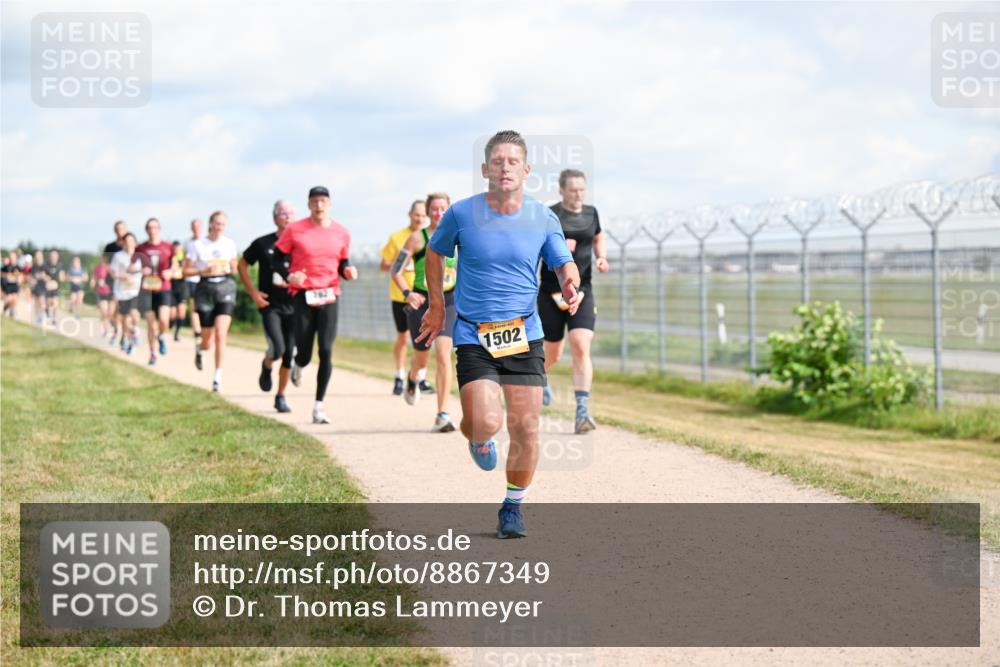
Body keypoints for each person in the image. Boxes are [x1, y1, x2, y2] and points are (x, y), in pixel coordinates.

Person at [418, 130, 581, 538]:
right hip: (474, 334)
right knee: (484, 422)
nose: (505, 167)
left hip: (524, 333)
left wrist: (569, 283)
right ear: (485, 169)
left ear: (526, 170)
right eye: (498, 161)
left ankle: (512, 507)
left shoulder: (543, 217)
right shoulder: (461, 214)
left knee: (526, 426)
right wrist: (436, 306)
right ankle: (478, 438)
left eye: (513, 162)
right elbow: (435, 252)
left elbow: (562, 262)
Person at [275, 185, 358, 425]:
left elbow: (342, 263)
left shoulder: (342, 232)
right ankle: (299, 364)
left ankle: (318, 406)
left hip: (330, 294)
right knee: (304, 352)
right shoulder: (295, 230)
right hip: (303, 294)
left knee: (326, 349)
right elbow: (277, 259)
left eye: (323, 201)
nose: (319, 205)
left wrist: (348, 271)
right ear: (308, 205)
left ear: (329, 204)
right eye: (314, 201)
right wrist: (289, 275)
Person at [538, 169, 609, 433]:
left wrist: (601, 257)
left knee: (580, 343)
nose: (579, 195)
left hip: (582, 291)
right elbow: (536, 247)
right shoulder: (550, 215)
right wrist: (556, 248)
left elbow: (598, 236)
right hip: (551, 293)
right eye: (573, 190)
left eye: (582, 190)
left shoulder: (592, 213)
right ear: (562, 190)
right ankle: (540, 377)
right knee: (553, 354)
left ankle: (582, 412)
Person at [391, 193, 457, 432]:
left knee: (444, 355)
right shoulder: (417, 238)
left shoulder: (457, 237)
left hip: (448, 301)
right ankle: (412, 377)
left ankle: (442, 415)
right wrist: (408, 293)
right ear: (428, 212)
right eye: (434, 209)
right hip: (422, 302)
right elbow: (396, 270)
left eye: (443, 209)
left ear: (449, 210)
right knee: (422, 357)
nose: (438, 213)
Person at [237, 200, 296, 413]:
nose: (287, 217)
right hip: (270, 305)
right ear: (274, 217)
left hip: (294, 305)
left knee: (289, 354)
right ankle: (267, 364)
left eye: (290, 213)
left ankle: (281, 396)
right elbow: (242, 264)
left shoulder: (300, 244)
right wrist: (253, 293)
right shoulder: (263, 243)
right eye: (282, 213)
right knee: (278, 349)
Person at [184, 211, 238, 392]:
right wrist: (203, 270)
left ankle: (217, 377)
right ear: (210, 224)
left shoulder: (229, 244)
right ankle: (200, 349)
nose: (220, 227)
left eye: (223, 224)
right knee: (208, 341)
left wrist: (233, 267)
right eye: (217, 224)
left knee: (221, 333)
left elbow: (235, 267)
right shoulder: (198, 245)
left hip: (225, 287)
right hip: (205, 288)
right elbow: (185, 270)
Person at [379, 203, 424, 396]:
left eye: (422, 215)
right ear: (410, 214)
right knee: (403, 337)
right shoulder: (397, 237)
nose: (419, 218)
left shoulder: (429, 238)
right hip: (401, 296)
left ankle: (420, 377)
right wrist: (402, 263)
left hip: (423, 295)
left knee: (422, 339)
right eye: (416, 214)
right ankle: (399, 375)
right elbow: (383, 265)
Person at [136, 218, 176, 366]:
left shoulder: (168, 246)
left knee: (164, 320)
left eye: (155, 227)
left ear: (159, 229)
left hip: (164, 287)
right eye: (149, 228)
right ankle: (152, 353)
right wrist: (141, 269)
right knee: (151, 324)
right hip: (147, 289)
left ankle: (162, 336)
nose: (152, 230)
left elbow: (176, 264)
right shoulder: (141, 248)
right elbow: (131, 266)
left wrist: (170, 272)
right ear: (146, 230)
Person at [110, 233, 143, 354]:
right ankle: (128, 340)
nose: (129, 244)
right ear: (123, 243)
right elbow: (113, 273)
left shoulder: (140, 256)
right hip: (121, 292)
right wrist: (121, 276)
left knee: (134, 315)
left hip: (135, 291)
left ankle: (135, 331)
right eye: (127, 241)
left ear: (135, 243)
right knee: (125, 319)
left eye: (131, 241)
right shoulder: (118, 256)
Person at [104, 220, 128, 344]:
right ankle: (116, 330)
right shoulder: (110, 247)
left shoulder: (130, 246)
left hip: (126, 283)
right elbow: (104, 262)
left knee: (122, 311)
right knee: (110, 312)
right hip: (112, 282)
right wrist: (111, 270)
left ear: (125, 230)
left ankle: (124, 335)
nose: (120, 231)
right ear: (115, 231)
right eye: (118, 229)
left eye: (122, 229)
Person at [183, 219, 205, 345]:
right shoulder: (187, 242)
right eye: (194, 227)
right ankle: (197, 333)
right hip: (192, 279)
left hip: (205, 279)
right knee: (194, 306)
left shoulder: (205, 241)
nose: (196, 229)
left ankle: (204, 328)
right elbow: (185, 262)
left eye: (198, 227)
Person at [90, 256, 114, 335]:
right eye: (101, 259)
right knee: (104, 311)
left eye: (103, 259)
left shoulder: (110, 268)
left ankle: (111, 325)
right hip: (101, 292)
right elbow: (94, 278)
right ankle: (105, 329)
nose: (102, 261)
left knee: (110, 313)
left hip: (110, 292)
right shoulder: (97, 268)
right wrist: (93, 282)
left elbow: (115, 277)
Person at [169, 241, 187, 341]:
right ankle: (170, 324)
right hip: (171, 287)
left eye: (178, 248)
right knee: (172, 314)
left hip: (182, 287)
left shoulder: (184, 259)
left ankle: (177, 333)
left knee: (181, 311)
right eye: (174, 248)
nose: (176, 250)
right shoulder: (169, 258)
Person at [42, 250, 64, 322]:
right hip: (47, 287)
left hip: (56, 287)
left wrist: (61, 277)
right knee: (48, 302)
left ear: (57, 257)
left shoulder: (60, 265)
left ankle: (54, 319)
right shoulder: (46, 265)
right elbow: (43, 274)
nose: (53, 258)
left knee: (55, 303)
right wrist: (46, 278)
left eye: (55, 256)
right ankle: (47, 310)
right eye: (52, 256)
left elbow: (62, 275)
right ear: (50, 257)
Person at [1, 251, 21, 318]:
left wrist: (17, 275)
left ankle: (12, 314)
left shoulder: (18, 267)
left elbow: (21, 276)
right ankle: (4, 310)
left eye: (13, 257)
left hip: (15, 285)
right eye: (11, 257)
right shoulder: (7, 266)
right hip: (8, 285)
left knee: (15, 299)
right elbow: (1, 273)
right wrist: (7, 275)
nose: (12, 258)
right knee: (8, 299)